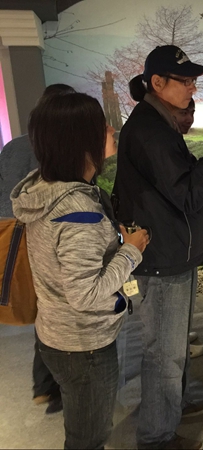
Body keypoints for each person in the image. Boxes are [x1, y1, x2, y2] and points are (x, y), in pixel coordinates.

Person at [113, 45, 203, 449]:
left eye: (193, 81)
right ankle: (156, 436)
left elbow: (180, 182)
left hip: (171, 253)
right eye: (185, 81)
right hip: (161, 258)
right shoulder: (150, 131)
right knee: (164, 353)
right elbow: (189, 195)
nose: (192, 88)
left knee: (172, 349)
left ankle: (172, 405)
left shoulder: (159, 124)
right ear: (157, 82)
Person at [11, 92, 149, 449]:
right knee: (88, 437)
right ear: (79, 140)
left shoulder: (46, 188)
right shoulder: (77, 213)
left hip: (57, 334)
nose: (111, 129)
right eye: (102, 126)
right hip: (83, 347)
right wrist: (131, 251)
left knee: (82, 426)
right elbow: (85, 293)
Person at [0, 83, 76, 415]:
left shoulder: (13, 146)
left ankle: (45, 386)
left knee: (44, 308)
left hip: (8, 233)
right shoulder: (58, 146)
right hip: (39, 234)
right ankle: (53, 385)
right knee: (55, 308)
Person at [174, 98, 203, 359]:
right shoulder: (162, 144)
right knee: (173, 301)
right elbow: (187, 196)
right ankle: (178, 344)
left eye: (192, 112)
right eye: (183, 112)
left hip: (185, 239)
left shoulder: (176, 142)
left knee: (183, 300)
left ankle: (181, 336)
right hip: (173, 242)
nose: (189, 118)